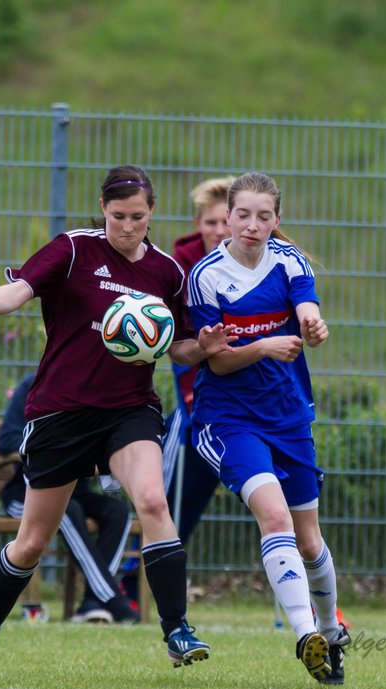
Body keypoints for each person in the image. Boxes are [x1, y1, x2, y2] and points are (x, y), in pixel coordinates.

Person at [0, 164, 233, 676]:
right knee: (32, 541)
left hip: (129, 410)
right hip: (62, 412)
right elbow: (19, 290)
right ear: (102, 209)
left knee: (151, 498)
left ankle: (176, 629)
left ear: (152, 214)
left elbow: (182, 348)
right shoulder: (74, 248)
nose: (127, 226)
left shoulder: (167, 272)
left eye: (138, 217)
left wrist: (204, 347)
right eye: (118, 216)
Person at [186, 171, 349, 684]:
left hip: (288, 416)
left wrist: (313, 326)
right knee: (273, 515)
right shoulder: (206, 276)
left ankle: (329, 633)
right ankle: (305, 635)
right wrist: (260, 346)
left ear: (277, 220)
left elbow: (306, 310)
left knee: (309, 540)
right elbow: (215, 363)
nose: (252, 225)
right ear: (227, 218)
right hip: (229, 419)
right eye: (242, 215)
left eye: (263, 216)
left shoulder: (289, 261)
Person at [0, 373, 135, 623]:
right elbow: (6, 441)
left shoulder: (94, 392)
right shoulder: (31, 386)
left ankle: (92, 603)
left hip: (77, 492)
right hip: (24, 495)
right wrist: (57, 452)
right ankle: (113, 599)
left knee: (118, 511)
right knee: (65, 510)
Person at [164, 177, 234, 545]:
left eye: (226, 221)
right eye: (211, 223)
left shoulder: (256, 263)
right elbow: (175, 343)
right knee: (174, 494)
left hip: (246, 389)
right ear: (198, 225)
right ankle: (134, 578)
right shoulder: (180, 268)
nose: (220, 231)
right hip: (196, 395)